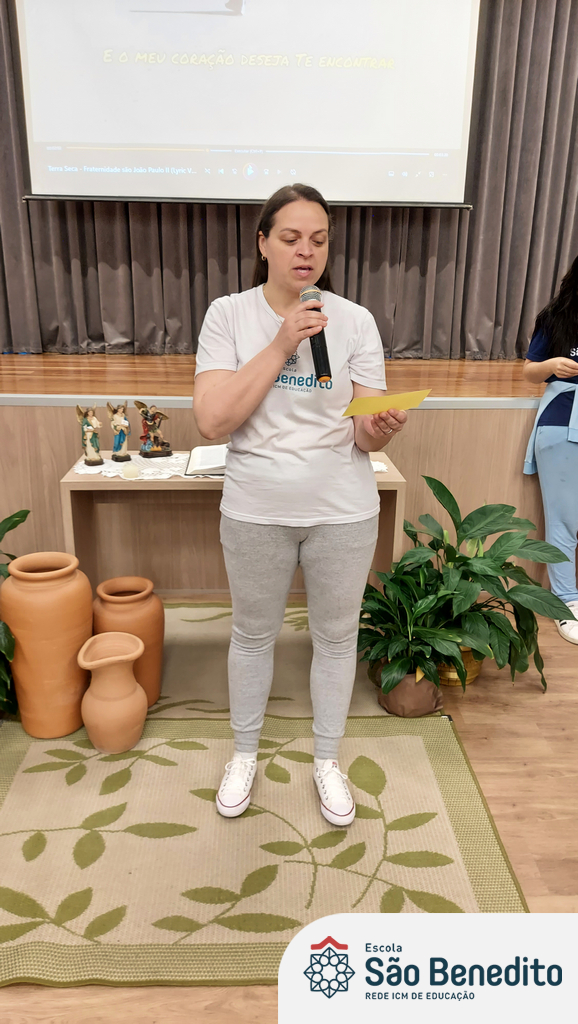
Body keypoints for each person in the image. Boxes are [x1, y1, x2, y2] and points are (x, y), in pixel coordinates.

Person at [193, 184, 407, 826]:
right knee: (252, 635)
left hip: (342, 508)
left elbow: (363, 433)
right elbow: (213, 420)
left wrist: (381, 427)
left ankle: (327, 760)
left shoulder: (356, 320)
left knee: (337, 640)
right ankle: (244, 754)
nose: (305, 251)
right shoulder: (228, 315)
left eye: (318, 239)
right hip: (255, 507)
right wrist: (283, 342)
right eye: (290, 238)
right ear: (263, 244)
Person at [523, 254, 578, 644]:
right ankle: (566, 602)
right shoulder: (556, 318)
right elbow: (529, 370)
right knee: (563, 521)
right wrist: (553, 364)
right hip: (561, 423)